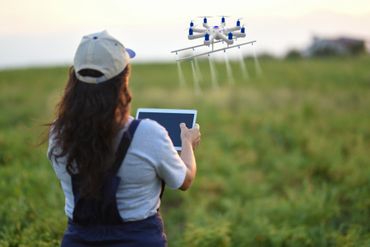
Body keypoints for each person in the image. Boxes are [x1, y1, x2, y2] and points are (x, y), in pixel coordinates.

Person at [47, 30, 201, 247]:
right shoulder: (148, 134)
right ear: (123, 79)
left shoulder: (58, 134)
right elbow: (185, 179)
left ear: (75, 78)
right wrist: (187, 142)